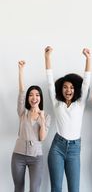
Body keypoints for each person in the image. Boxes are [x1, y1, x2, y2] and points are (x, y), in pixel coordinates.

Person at [44, 46, 91, 192]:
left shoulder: (80, 104)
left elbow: (86, 83)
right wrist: (47, 58)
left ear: (75, 90)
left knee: (74, 189)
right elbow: (50, 83)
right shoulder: (56, 103)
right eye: (65, 87)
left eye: (71, 87)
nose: (68, 90)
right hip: (57, 147)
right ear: (61, 89)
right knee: (56, 188)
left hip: (74, 149)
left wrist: (88, 59)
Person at [11, 60, 50, 192]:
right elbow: (21, 91)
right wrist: (21, 70)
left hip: (36, 157)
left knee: (35, 189)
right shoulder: (22, 113)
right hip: (18, 155)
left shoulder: (46, 117)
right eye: (31, 95)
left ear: (40, 98)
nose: (34, 98)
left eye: (37, 95)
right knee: (18, 188)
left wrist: (42, 118)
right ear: (28, 98)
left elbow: (42, 138)